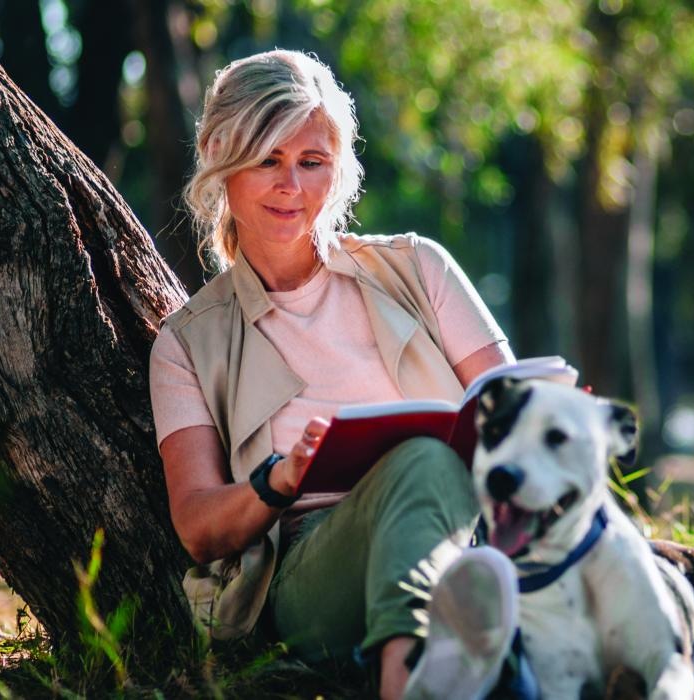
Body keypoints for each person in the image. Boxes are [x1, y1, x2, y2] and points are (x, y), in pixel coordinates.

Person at [148, 50, 519, 699]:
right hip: (316, 578)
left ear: (338, 168)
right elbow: (198, 525)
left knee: (439, 474)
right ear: (219, 156)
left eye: (312, 162)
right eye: (268, 159)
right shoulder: (188, 343)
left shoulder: (419, 269)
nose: (292, 186)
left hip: (465, 526)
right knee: (424, 463)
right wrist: (277, 480)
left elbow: (513, 410)